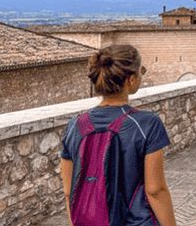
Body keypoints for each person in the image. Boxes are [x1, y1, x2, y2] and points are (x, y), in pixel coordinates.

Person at [60, 45, 177, 226]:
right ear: (131, 80)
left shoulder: (75, 126)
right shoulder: (147, 124)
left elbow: (69, 191)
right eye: (141, 71)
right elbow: (155, 190)